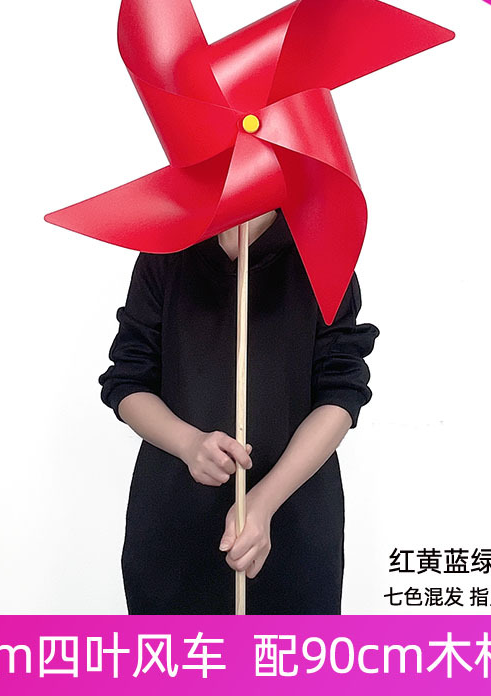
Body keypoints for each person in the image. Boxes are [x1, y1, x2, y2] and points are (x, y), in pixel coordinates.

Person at [98, 206, 379, 614]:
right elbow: (127, 380)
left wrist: (264, 501)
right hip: (174, 520)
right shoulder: (165, 253)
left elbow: (341, 392)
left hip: (294, 518)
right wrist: (189, 444)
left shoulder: (322, 255)